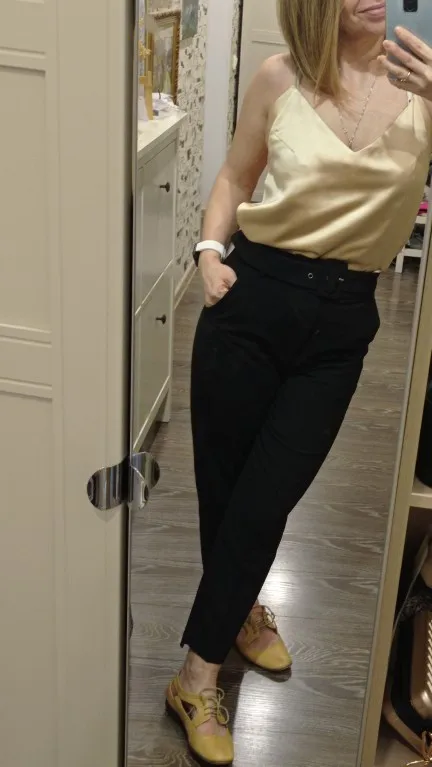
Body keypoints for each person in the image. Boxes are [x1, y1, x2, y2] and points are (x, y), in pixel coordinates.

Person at [165, 1, 432, 764]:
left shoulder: (424, 85)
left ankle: (194, 671)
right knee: (227, 490)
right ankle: (232, 627)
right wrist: (209, 251)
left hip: (341, 326)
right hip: (249, 300)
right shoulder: (279, 78)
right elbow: (234, 176)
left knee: (266, 495)